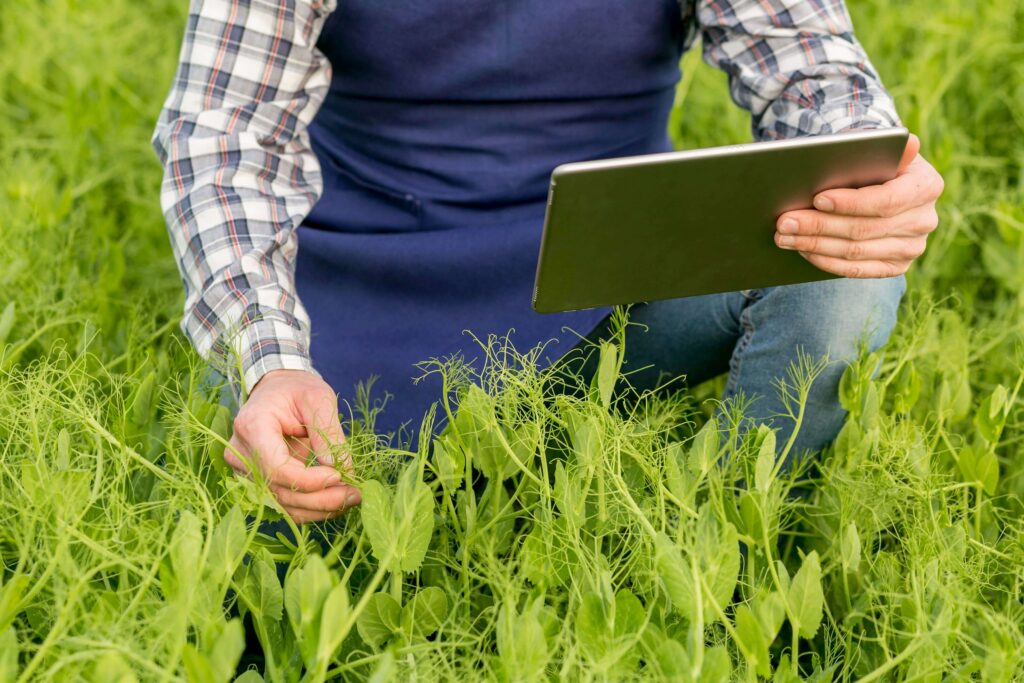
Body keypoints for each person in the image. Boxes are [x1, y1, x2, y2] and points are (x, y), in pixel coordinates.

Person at [152, 0, 943, 525]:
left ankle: (726, 558)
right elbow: (222, 139)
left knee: (850, 261)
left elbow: (817, 74)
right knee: (284, 517)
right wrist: (271, 361)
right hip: (351, 313)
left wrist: (872, 174)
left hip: (616, 296)